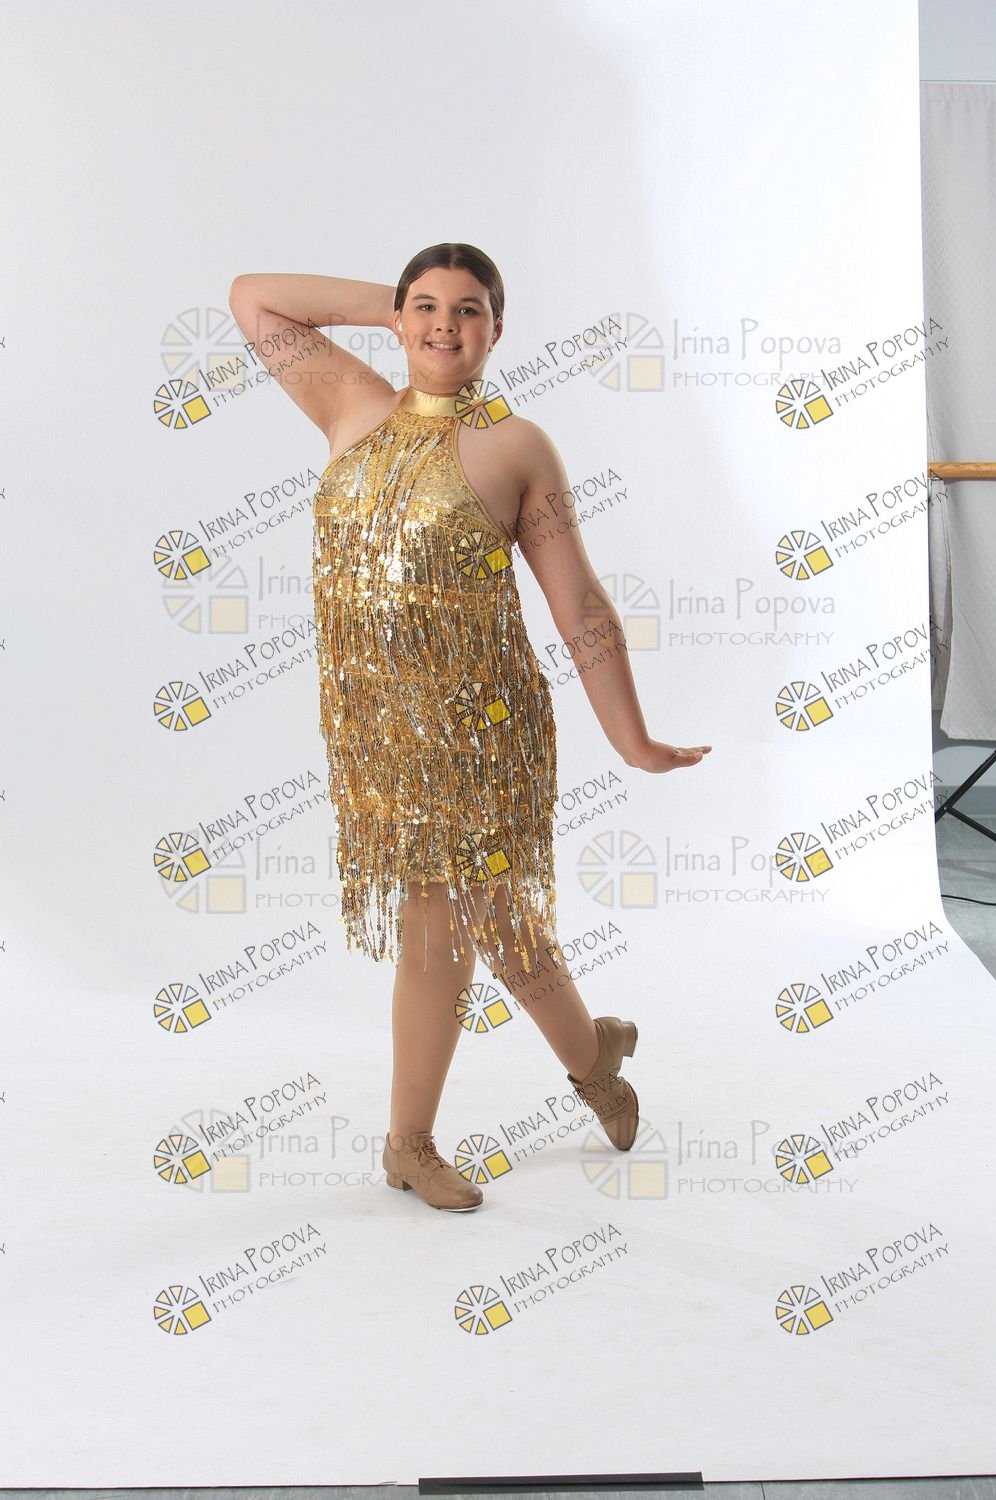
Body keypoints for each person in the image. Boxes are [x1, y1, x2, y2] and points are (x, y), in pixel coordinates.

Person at [228, 243, 711, 1214]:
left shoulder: (516, 447)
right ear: (400, 318)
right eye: (427, 307)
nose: (444, 326)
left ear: (497, 329)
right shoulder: (351, 404)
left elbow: (580, 605)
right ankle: (594, 1058)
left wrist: (631, 740)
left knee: (455, 924)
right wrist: (396, 305)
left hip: (485, 729)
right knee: (495, 926)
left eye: (468, 311)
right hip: (378, 734)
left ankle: (410, 1142)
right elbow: (255, 299)